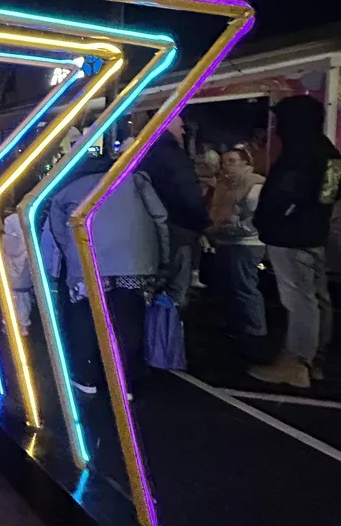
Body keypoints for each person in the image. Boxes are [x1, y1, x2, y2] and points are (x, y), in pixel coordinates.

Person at [46, 149, 168, 395]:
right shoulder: (135, 180)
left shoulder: (68, 188)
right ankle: (125, 383)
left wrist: (72, 257)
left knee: (85, 317)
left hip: (88, 262)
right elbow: (160, 219)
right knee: (127, 319)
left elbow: (58, 228)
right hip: (134, 262)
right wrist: (162, 258)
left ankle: (86, 377)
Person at [251, 95, 341, 387]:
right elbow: (330, 195)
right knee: (316, 298)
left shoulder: (300, 153)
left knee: (299, 300)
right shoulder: (329, 154)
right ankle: (314, 359)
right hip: (314, 233)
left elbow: (283, 196)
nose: (277, 127)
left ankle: (296, 362)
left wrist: (266, 221)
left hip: (290, 236)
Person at [141, 112, 209, 307]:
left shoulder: (144, 153)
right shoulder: (174, 157)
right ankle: (170, 322)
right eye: (180, 127)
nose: (183, 131)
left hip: (148, 230)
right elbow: (187, 193)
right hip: (177, 228)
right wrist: (202, 223)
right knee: (176, 289)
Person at [208, 147, 267, 340]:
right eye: (224, 162)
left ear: (245, 162)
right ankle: (236, 325)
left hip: (246, 242)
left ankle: (255, 330)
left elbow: (257, 217)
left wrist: (235, 227)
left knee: (244, 287)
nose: (227, 166)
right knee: (228, 286)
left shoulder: (255, 184)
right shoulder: (223, 185)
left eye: (232, 161)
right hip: (224, 240)